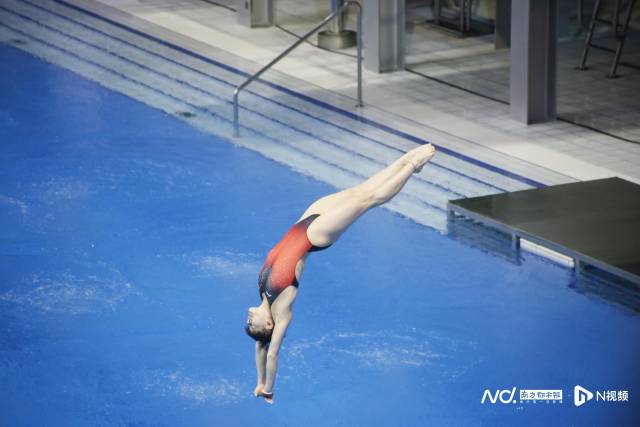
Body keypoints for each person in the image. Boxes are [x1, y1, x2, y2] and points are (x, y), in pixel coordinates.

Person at [245, 143, 436, 403]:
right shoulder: (281, 312)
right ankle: (413, 166)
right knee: (369, 200)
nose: (248, 318)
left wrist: (258, 381)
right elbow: (271, 353)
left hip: (305, 220)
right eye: (251, 324)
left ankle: (407, 159)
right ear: (268, 325)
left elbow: (259, 347)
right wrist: (268, 389)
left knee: (359, 190)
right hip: (315, 236)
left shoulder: (263, 293)